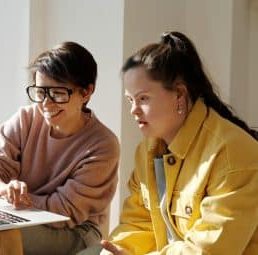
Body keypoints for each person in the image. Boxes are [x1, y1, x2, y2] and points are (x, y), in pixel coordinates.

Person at [80, 31, 258, 255]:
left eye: (143, 98)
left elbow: (210, 250)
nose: (134, 110)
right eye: (130, 100)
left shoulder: (233, 154)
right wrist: (117, 250)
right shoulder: (147, 151)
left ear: (179, 96)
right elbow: (138, 224)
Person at [0, 41, 120, 255]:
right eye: (41, 92)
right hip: (22, 214)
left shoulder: (102, 145)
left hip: (76, 230)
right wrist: (2, 190)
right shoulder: (25, 119)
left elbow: (63, 211)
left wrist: (16, 200)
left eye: (58, 93)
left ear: (86, 92)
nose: (46, 104)